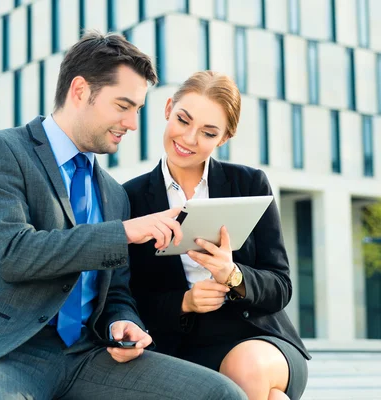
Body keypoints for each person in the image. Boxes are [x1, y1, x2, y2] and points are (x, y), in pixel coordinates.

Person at [0, 32, 247, 400]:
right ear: (80, 90)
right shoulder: (0, 152)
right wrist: (124, 233)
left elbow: (115, 289)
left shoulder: (113, 193)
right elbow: (13, 254)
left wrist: (123, 321)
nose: (132, 123)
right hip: (3, 353)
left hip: (86, 356)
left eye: (137, 110)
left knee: (221, 395)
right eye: (123, 106)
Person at [124, 71, 311, 400]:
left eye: (208, 133)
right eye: (183, 120)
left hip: (260, 339)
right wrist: (185, 302)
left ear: (224, 138)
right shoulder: (131, 198)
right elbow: (128, 296)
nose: (189, 139)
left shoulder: (249, 185)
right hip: (182, 347)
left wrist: (235, 275)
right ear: (168, 108)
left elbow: (280, 286)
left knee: (245, 370)